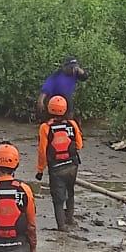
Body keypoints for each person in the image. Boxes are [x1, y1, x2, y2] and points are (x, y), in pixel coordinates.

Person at [35, 95, 83, 230]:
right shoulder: (72, 124)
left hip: (56, 168)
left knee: (58, 198)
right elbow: (79, 145)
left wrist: (40, 170)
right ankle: (70, 219)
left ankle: (61, 226)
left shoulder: (45, 127)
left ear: (49, 109)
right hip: (72, 165)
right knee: (70, 191)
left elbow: (42, 151)